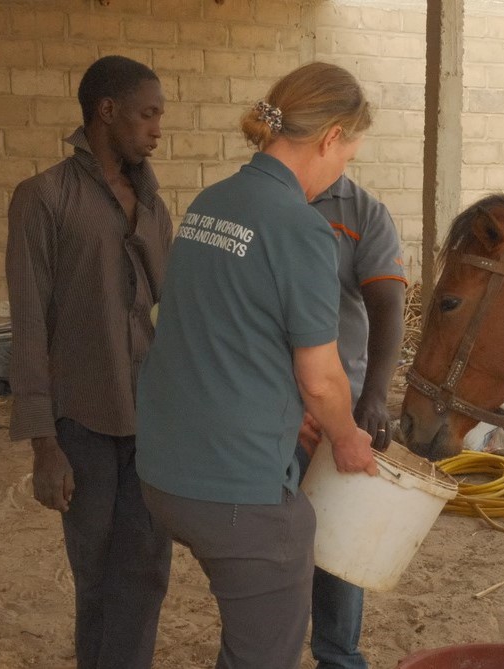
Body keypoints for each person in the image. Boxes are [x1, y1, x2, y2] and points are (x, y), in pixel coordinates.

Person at [135, 61, 378, 669]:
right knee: (266, 648)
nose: (342, 172)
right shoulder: (301, 227)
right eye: (348, 156)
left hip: (164, 471)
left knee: (248, 636)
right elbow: (322, 378)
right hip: (237, 493)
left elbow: (224, 333)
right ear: (330, 138)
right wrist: (347, 439)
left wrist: (283, 411)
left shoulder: (210, 204)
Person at [5, 55, 172, 669]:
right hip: (83, 422)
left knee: (149, 567)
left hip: (152, 420)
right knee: (96, 572)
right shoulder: (43, 199)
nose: (158, 129)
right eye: (147, 114)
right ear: (107, 112)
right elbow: (27, 329)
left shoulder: (153, 205)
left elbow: (170, 312)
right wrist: (43, 444)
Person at [299, 175, 406, 669]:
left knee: (337, 544)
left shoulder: (363, 212)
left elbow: (387, 305)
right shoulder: (266, 197)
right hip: (272, 408)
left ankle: (338, 658)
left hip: (337, 409)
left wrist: (374, 397)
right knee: (271, 547)